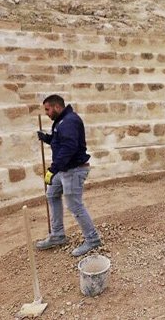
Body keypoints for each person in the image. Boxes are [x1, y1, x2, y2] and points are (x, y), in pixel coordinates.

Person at [35, 94, 102, 257]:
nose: (46, 113)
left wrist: (53, 169)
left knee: (74, 205)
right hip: (65, 169)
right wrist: (47, 138)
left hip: (74, 169)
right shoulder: (62, 121)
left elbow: (69, 147)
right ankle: (57, 235)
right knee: (52, 194)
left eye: (47, 109)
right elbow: (61, 142)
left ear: (57, 107)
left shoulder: (69, 121)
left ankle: (92, 239)